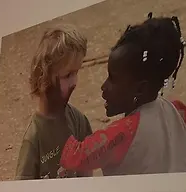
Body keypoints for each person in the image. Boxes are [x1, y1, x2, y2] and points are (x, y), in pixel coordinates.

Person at [59, 14, 186, 176]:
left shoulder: (123, 133)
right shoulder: (176, 110)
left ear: (140, 89)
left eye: (112, 79)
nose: (104, 86)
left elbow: (73, 158)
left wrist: (56, 112)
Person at [15, 25, 93, 180]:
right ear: (44, 79)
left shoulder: (78, 121)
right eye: (68, 75)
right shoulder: (34, 140)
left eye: (76, 73)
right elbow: (22, 191)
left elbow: (86, 172)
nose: (75, 82)